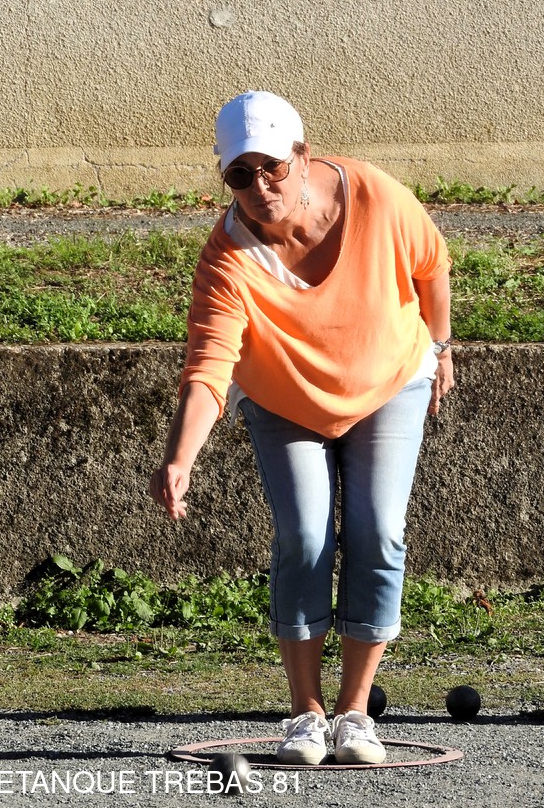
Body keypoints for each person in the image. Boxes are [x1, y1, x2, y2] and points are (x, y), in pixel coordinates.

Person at [150, 90, 453, 766]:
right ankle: (306, 714)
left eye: (272, 167)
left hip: (388, 380)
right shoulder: (227, 258)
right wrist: (181, 456)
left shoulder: (374, 195)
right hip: (284, 399)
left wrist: (441, 347)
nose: (259, 186)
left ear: (303, 155)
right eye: (240, 174)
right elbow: (209, 365)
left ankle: (356, 712)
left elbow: (431, 265)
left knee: (380, 530)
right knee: (304, 537)